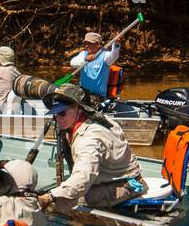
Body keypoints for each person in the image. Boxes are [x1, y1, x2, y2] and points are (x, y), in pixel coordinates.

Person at [36, 84, 143, 213]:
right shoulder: (99, 119)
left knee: (67, 202)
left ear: (80, 109)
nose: (57, 119)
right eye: (54, 115)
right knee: (69, 193)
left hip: (127, 184)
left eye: (61, 113)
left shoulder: (89, 138)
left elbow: (83, 178)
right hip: (116, 177)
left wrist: (51, 196)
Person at [68, 31, 119, 99]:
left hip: (98, 96)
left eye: (89, 44)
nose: (86, 46)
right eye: (85, 43)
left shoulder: (105, 56)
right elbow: (72, 63)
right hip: (83, 94)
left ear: (98, 44)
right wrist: (85, 59)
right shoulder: (83, 54)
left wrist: (116, 45)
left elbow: (114, 56)